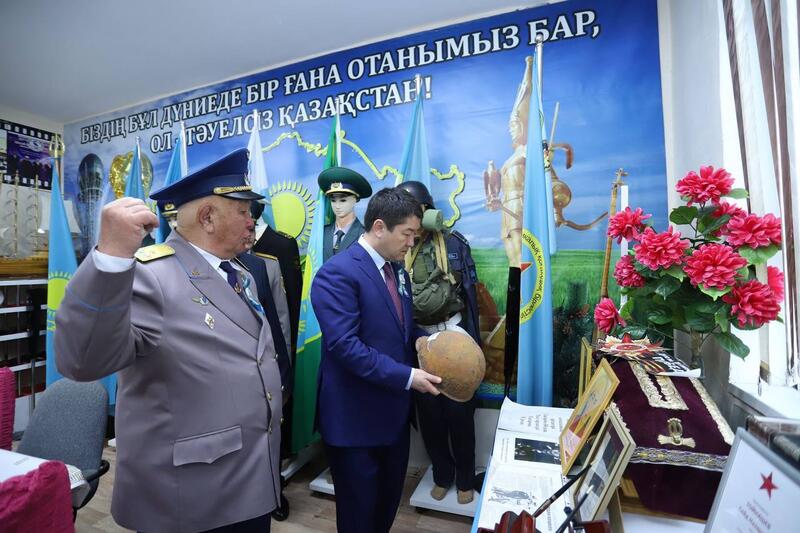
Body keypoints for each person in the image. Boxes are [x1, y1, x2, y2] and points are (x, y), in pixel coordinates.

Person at [55, 148, 282, 533]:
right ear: (208, 217)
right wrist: (111, 258)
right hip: (193, 495)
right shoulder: (151, 275)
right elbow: (84, 360)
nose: (252, 221)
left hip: (249, 477)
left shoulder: (239, 274)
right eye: (244, 211)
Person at [311, 186, 442, 533]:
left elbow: (401, 328)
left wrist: (431, 342)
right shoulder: (337, 274)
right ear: (380, 227)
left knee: (385, 509)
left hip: (393, 419)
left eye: (415, 235)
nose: (412, 243)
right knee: (359, 518)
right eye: (407, 234)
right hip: (355, 423)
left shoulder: (396, 270)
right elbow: (345, 346)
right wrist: (408, 377)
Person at [398, 180, 482, 505]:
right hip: (421, 340)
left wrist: (474, 344)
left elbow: (470, 297)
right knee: (430, 415)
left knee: (459, 414)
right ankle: (442, 475)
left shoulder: (453, 244)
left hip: (454, 333)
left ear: (427, 211)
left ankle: (464, 478)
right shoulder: (399, 249)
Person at [318, 166, 373, 262]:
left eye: (343, 200)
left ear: (355, 199)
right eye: (333, 200)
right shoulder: (321, 233)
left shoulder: (365, 235)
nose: (337, 206)